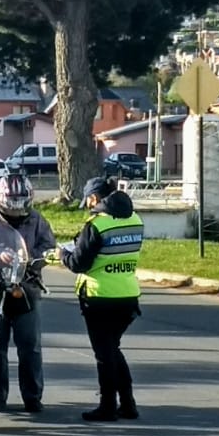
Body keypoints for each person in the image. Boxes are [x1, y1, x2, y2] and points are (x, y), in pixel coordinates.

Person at [0, 174, 54, 413]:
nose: (16, 210)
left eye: (21, 204)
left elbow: (49, 246)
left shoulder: (37, 219)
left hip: (26, 287)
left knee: (30, 346)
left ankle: (33, 397)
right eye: (11, 204)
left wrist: (34, 259)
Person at [58, 176, 143, 422]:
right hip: (128, 295)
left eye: (88, 201)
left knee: (104, 355)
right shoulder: (135, 220)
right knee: (112, 350)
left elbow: (78, 263)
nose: (88, 206)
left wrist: (62, 254)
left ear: (94, 198)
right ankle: (128, 404)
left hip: (99, 297)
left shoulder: (97, 225)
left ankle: (108, 406)